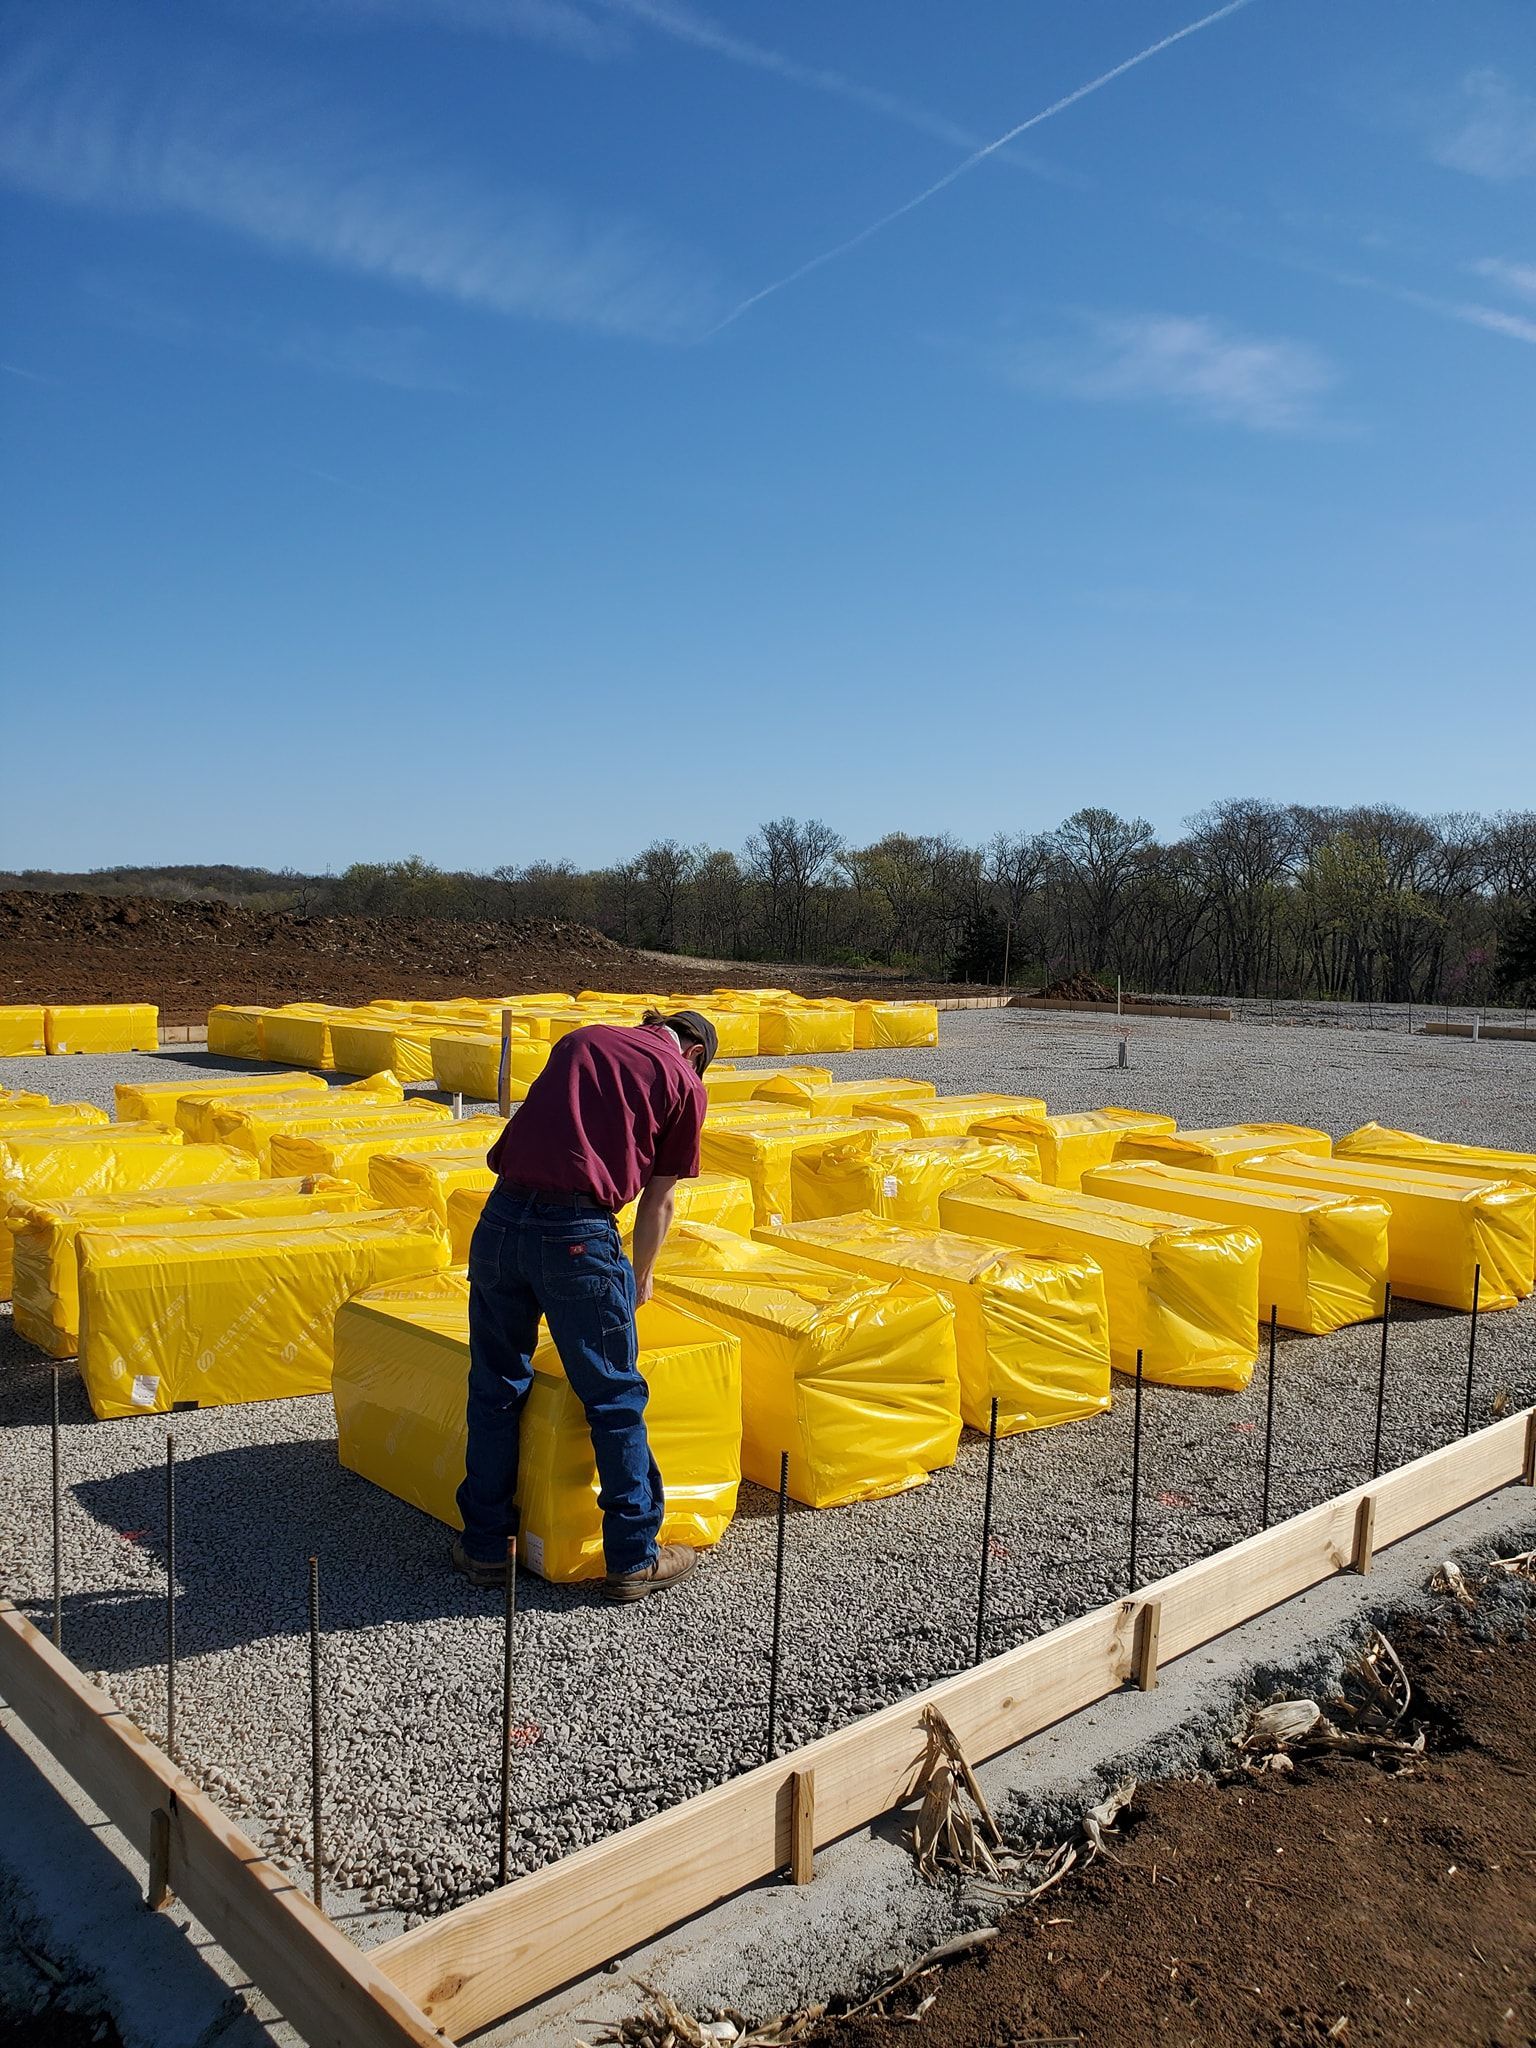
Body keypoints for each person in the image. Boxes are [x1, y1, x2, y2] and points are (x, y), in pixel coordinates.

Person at [453, 1006, 718, 1601]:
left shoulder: (581, 1040)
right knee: (614, 1396)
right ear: (696, 1052)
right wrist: (641, 1275)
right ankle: (632, 1557)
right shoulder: (682, 1080)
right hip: (576, 1234)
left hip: (498, 1220)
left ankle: (485, 1548)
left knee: (494, 1387)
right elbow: (659, 1203)